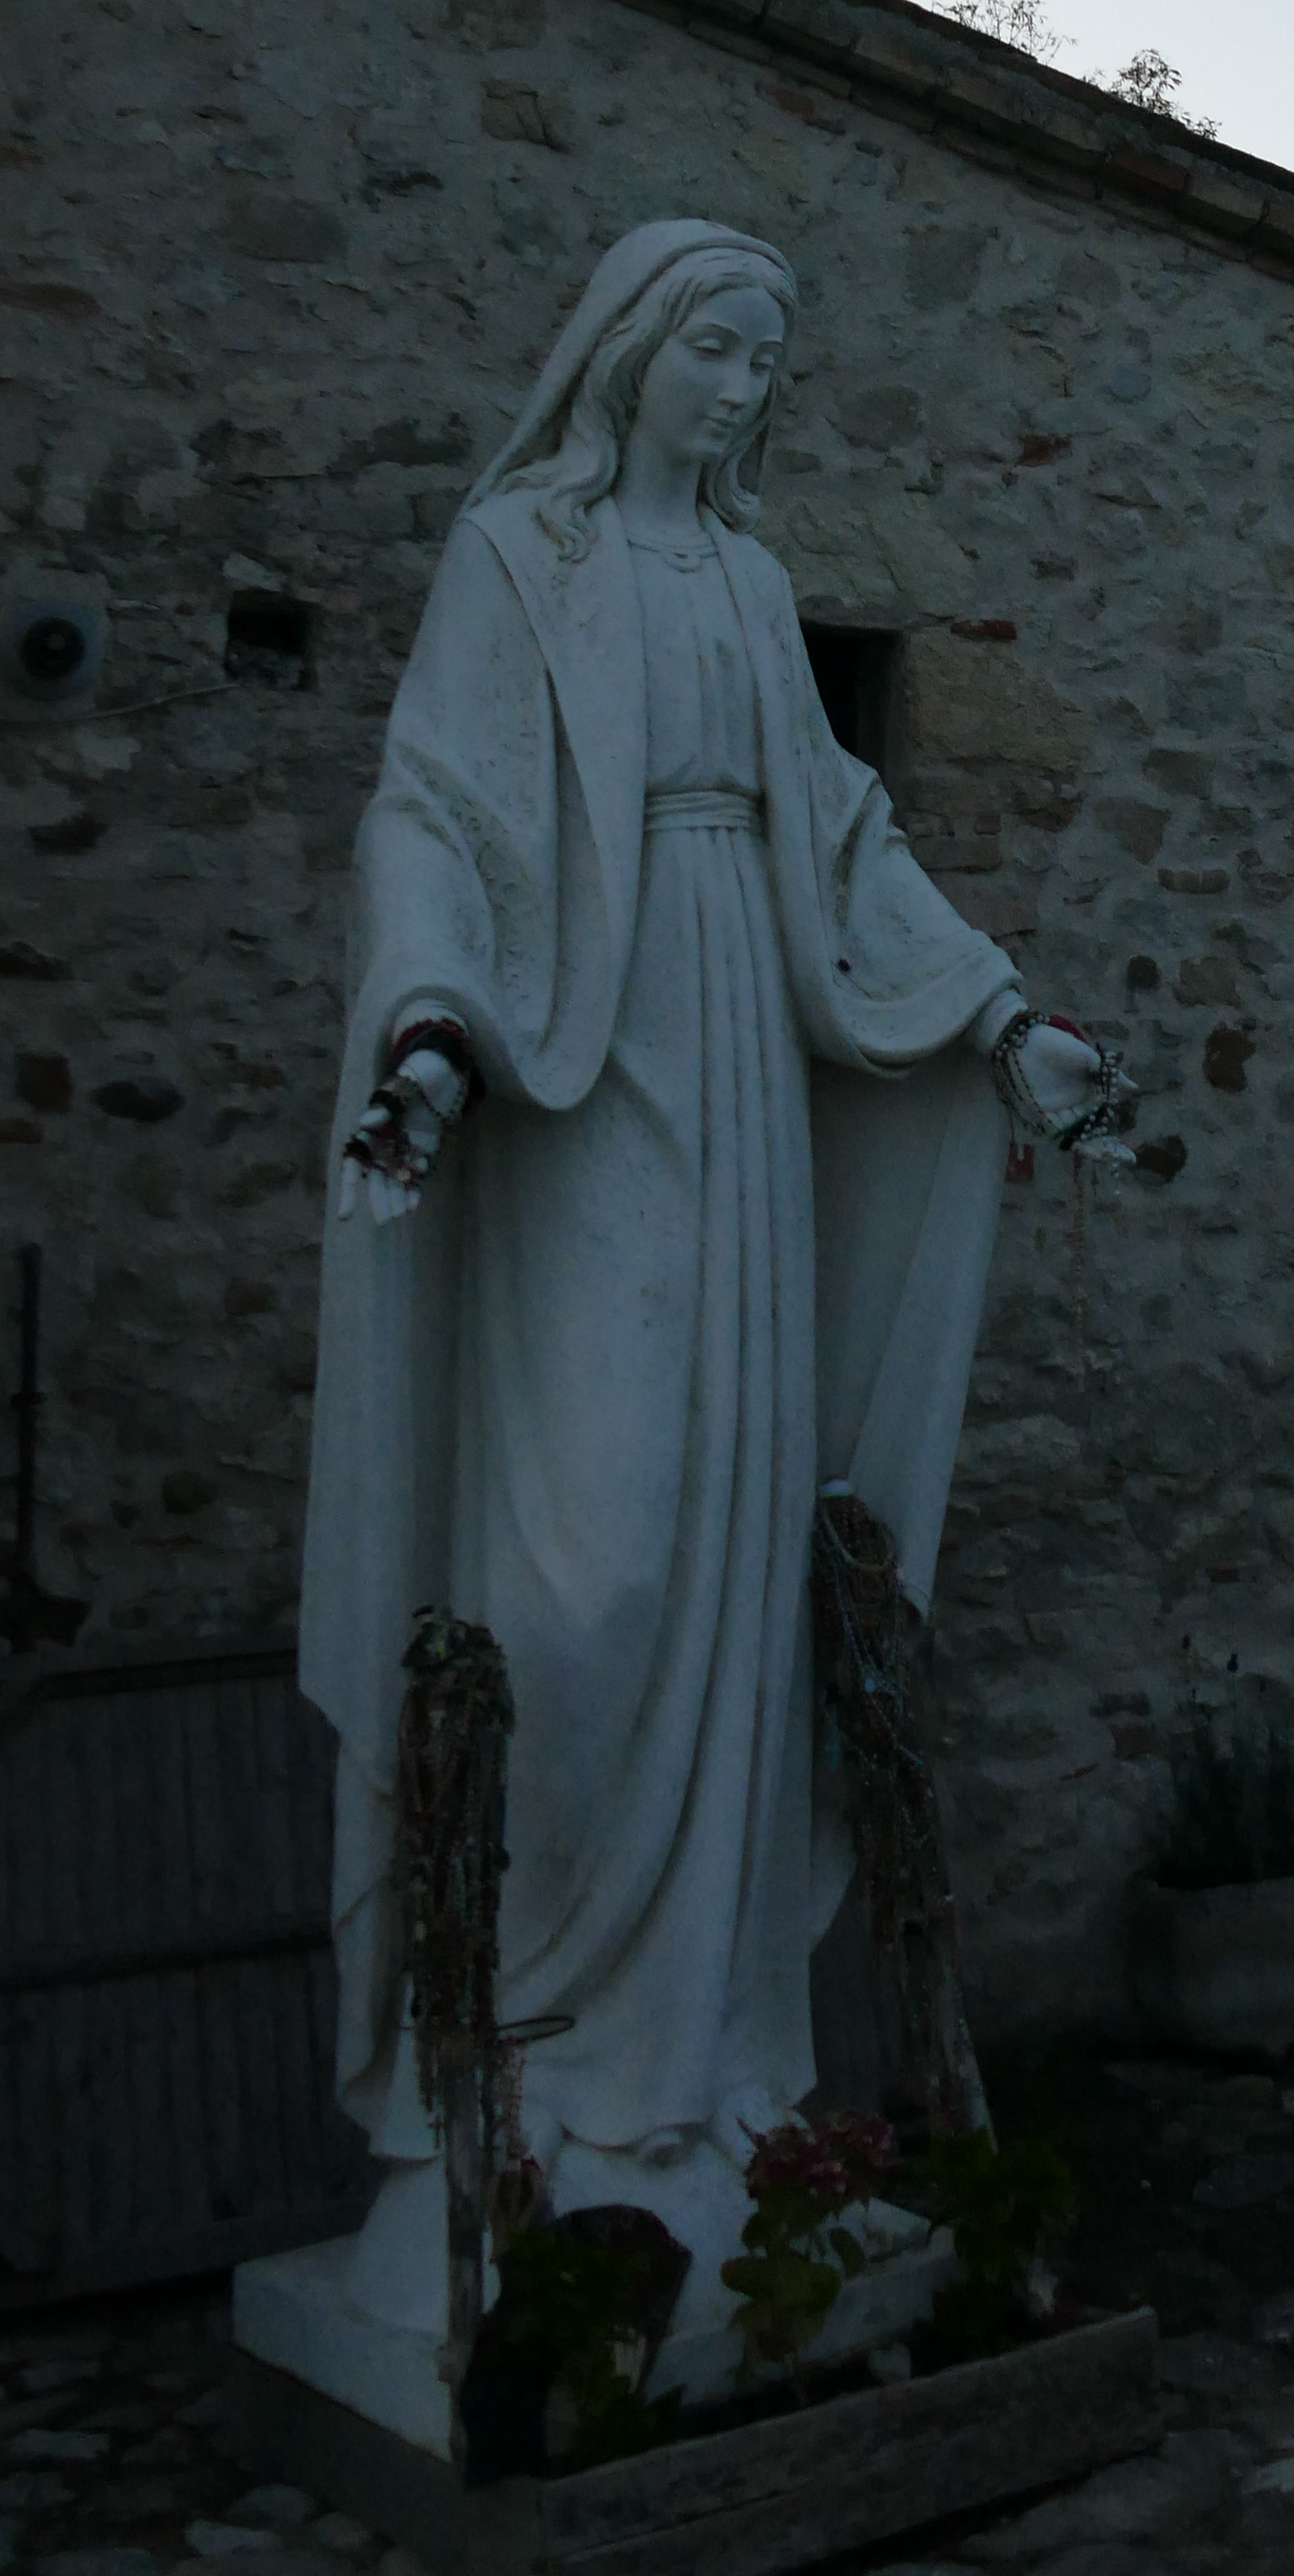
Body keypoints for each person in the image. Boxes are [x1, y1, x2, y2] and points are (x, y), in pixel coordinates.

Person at [302, 219, 1108, 2332]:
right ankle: (536, 2072)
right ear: (631, 351)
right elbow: (431, 811)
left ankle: (715, 2087)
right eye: (718, 350)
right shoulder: (517, 557)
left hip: (745, 1047)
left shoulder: (749, 581)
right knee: (592, 1565)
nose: (744, 390)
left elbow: (840, 832)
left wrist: (1000, 1018)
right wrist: (426, 1023)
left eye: (769, 362)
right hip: (585, 1064)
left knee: (740, 1556)